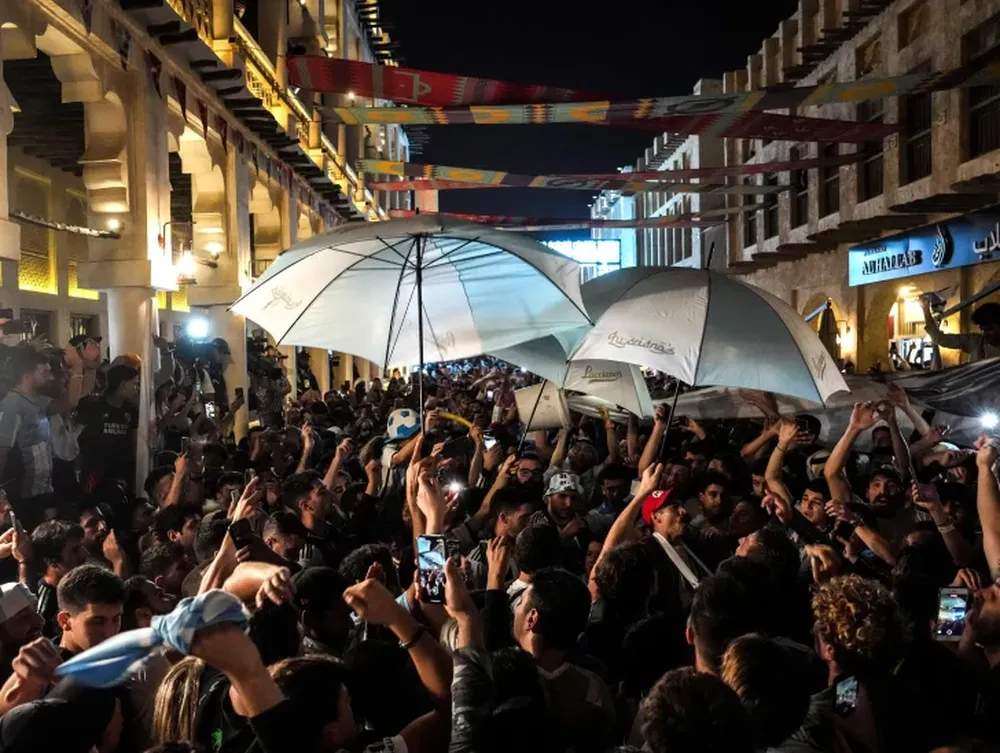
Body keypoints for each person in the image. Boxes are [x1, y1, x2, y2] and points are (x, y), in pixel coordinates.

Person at [922, 298, 1000, 362]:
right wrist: (926, 310)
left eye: (989, 329)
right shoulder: (976, 342)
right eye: (982, 330)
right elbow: (940, 338)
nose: (985, 334)